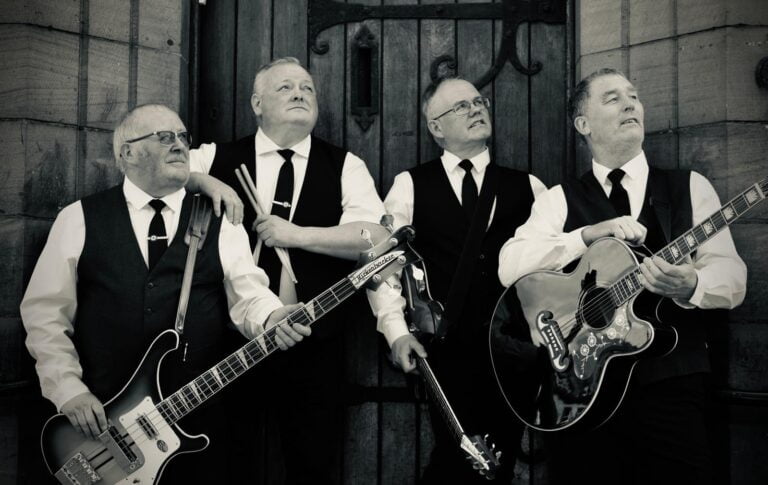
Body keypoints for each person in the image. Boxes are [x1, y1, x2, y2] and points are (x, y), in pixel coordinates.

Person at [20, 104, 309, 483]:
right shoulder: (78, 218)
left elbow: (249, 295)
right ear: (127, 153)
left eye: (183, 137)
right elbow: (45, 315)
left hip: (196, 426)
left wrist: (272, 316)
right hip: (103, 426)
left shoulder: (220, 220)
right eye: (164, 137)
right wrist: (67, 389)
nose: (179, 144)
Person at [498, 68, 747, 484]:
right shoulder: (559, 200)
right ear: (583, 124)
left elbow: (734, 277)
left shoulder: (689, 187)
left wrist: (692, 284)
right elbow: (510, 264)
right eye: (612, 98)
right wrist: (585, 236)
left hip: (670, 384)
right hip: (580, 392)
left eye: (634, 96)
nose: (630, 104)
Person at [188, 57, 388, 484]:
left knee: (312, 468)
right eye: (285, 87)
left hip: (313, 342)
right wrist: (205, 182)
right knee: (225, 465)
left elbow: (375, 237)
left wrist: (297, 235)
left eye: (307, 88)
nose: (299, 93)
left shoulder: (345, 165)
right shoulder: (216, 157)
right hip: (228, 343)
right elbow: (160, 172)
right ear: (257, 103)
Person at [369, 76, 547, 484]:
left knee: (498, 465)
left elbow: (551, 270)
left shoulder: (530, 186)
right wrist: (396, 333)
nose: (476, 109)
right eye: (462, 106)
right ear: (436, 127)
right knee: (460, 461)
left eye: (479, 101)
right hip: (445, 352)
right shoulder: (410, 184)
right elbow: (383, 267)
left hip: (515, 353)